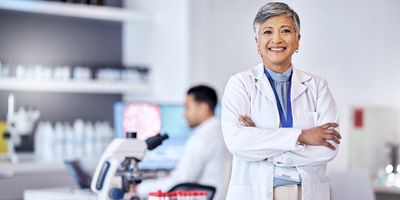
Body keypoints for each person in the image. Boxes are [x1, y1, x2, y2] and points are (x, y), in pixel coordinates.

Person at [221, 2, 341, 200]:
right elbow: (237, 143)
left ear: (298, 40)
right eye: (267, 32)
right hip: (257, 193)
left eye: (285, 31)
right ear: (257, 42)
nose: (276, 39)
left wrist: (264, 146)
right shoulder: (240, 84)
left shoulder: (318, 86)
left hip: (307, 193)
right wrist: (302, 136)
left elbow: (328, 148)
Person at [137, 85, 232, 200]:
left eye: (187, 107)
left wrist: (138, 189)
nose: (184, 114)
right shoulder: (223, 132)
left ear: (203, 107)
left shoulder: (202, 138)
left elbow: (180, 182)